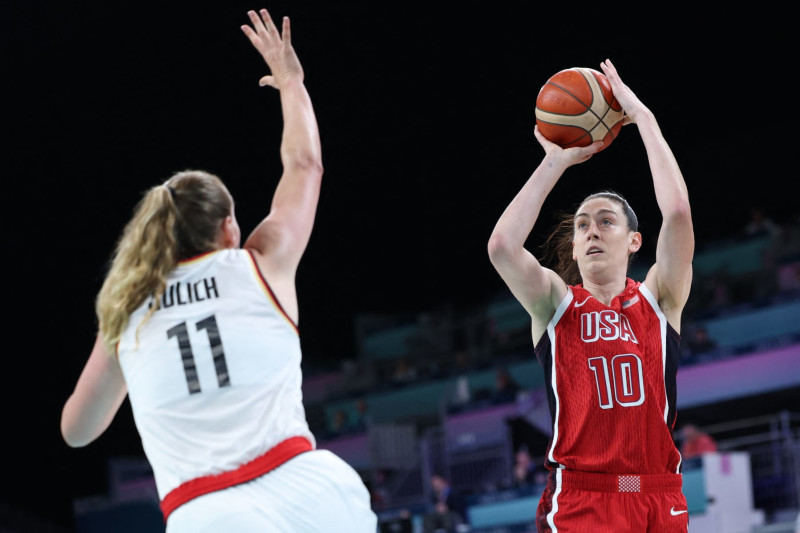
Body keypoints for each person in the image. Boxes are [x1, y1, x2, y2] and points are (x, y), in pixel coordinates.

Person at [59, 9, 377, 532]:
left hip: (207, 513)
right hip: (311, 491)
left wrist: (116, 341)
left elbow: (77, 431)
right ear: (230, 227)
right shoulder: (261, 261)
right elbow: (304, 165)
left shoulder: (127, 312)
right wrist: (292, 84)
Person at [488, 59, 693, 532]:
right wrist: (554, 162)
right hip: (584, 498)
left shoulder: (661, 298)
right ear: (575, 249)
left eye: (606, 222)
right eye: (582, 226)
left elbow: (678, 212)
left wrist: (644, 119)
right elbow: (501, 246)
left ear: (634, 241)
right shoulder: (557, 304)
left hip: (661, 495)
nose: (592, 231)